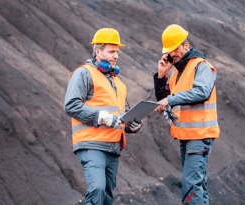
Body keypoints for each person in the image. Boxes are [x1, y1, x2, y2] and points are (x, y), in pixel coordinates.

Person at [64, 28, 143, 205]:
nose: (116, 56)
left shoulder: (118, 84)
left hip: (113, 147)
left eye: (117, 52)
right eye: (111, 51)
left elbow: (123, 116)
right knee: (97, 189)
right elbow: (71, 105)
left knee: (106, 197)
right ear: (98, 52)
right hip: (91, 143)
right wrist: (104, 118)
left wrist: (132, 124)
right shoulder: (83, 73)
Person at [153, 24, 220, 205]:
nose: (172, 54)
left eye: (175, 49)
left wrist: (170, 100)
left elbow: (202, 92)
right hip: (186, 136)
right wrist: (161, 75)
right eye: (169, 50)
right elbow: (165, 99)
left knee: (191, 184)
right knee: (198, 184)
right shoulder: (176, 75)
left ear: (186, 46)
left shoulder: (201, 66)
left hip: (201, 135)